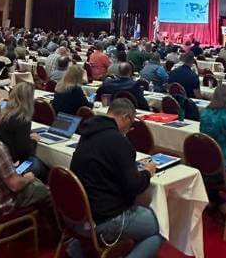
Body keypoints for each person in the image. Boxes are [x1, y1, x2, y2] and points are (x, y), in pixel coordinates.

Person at [69, 98, 162, 258]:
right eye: (130, 123)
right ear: (125, 117)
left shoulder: (87, 132)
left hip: (76, 216)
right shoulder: (118, 141)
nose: (129, 128)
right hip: (103, 219)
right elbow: (134, 186)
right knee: (161, 227)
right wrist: (147, 171)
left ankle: (77, 248)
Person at [0, 82, 48, 181]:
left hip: (2, 160)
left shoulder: (2, 114)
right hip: (13, 163)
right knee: (40, 165)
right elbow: (24, 151)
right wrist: (34, 141)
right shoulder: (23, 119)